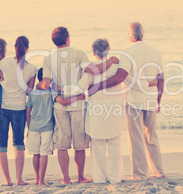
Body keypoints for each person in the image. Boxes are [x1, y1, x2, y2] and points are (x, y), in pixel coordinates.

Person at [56, 38, 157, 184]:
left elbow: (79, 88)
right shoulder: (116, 67)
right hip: (115, 110)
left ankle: (100, 178)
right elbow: (132, 81)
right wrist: (151, 84)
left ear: (93, 52)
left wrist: (60, 90)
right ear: (108, 50)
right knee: (115, 144)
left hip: (96, 112)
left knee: (98, 146)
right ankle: (116, 177)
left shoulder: (90, 69)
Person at [36, 27, 118, 184]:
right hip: (78, 103)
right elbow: (93, 71)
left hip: (59, 105)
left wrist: (35, 88)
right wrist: (111, 61)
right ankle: (80, 176)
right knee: (79, 143)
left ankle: (66, 178)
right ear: (67, 39)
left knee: (62, 143)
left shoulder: (48, 59)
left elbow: (46, 84)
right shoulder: (79, 54)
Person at [88, 22, 165, 180]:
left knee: (136, 137)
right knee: (151, 137)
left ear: (131, 35)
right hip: (150, 99)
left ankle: (140, 173)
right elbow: (161, 79)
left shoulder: (127, 53)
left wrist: (98, 86)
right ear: (142, 34)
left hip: (134, 101)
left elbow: (120, 77)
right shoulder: (156, 52)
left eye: (127, 33)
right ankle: (158, 171)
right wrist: (158, 100)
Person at [0, 36, 38, 186]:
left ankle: (7, 180)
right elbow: (29, 91)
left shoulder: (4, 62)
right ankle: (19, 179)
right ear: (27, 48)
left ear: (14, 47)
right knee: (18, 144)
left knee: (1, 144)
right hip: (19, 109)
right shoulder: (32, 69)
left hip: (2, 109)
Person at [26, 68, 86, 186]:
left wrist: (28, 127)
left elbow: (28, 111)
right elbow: (62, 102)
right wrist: (78, 97)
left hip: (33, 127)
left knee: (35, 153)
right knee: (44, 153)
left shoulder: (32, 94)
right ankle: (42, 181)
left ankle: (37, 178)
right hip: (47, 127)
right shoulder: (51, 92)